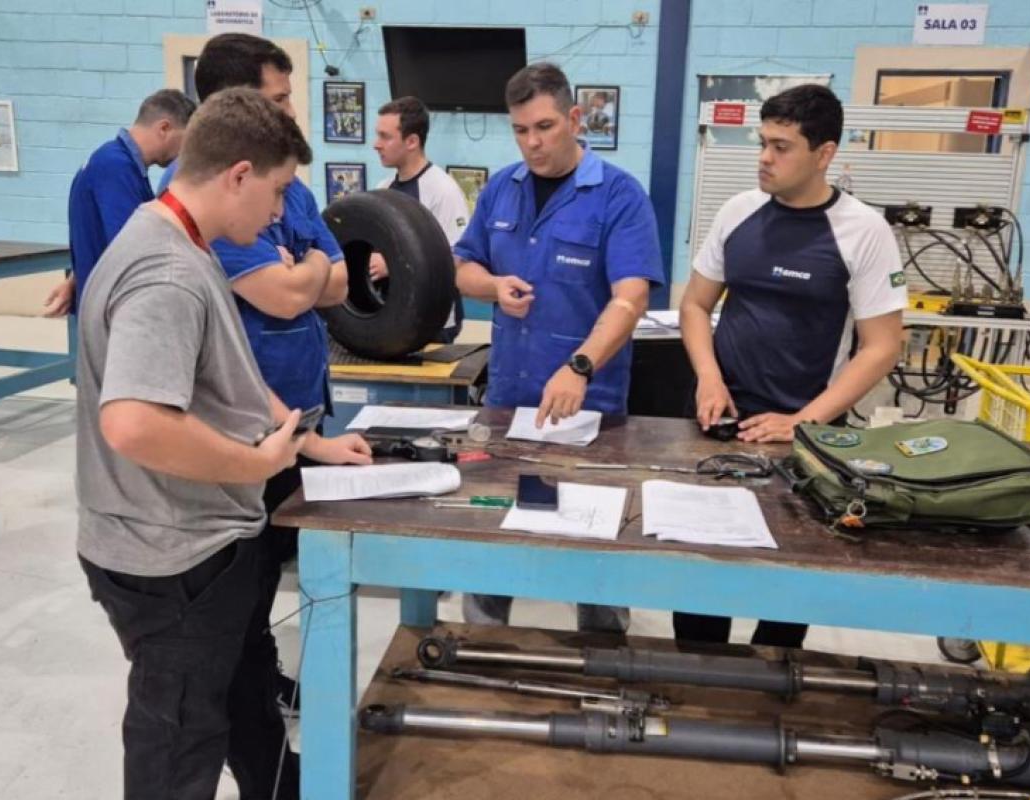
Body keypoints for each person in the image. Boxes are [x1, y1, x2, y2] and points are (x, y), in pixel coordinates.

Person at [76, 87, 371, 800]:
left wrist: (304, 442)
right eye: (277, 192)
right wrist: (255, 463)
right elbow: (133, 422)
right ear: (239, 174)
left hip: (195, 544)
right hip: (173, 556)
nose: (277, 214)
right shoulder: (168, 272)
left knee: (242, 696)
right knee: (178, 743)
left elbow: (226, 379)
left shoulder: (184, 242)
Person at [157, 30, 348, 750]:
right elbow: (287, 295)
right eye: (278, 98)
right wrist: (307, 270)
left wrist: (304, 271)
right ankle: (251, 713)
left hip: (292, 418)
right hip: (239, 436)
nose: (290, 112)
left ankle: (260, 693)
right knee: (236, 591)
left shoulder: (288, 185)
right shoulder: (189, 221)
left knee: (267, 577)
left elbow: (334, 280)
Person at [676, 83, 906, 649]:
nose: (764, 157)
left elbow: (882, 346)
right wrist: (708, 376)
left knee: (785, 592)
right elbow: (695, 304)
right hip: (719, 423)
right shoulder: (738, 211)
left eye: (781, 147)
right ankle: (697, 683)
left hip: (809, 441)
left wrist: (804, 421)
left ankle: (767, 688)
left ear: (824, 154)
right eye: (762, 143)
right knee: (700, 585)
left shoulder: (864, 231)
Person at [453, 62, 664, 633]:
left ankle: (604, 665)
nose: (532, 143)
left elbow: (631, 299)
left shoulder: (619, 195)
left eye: (544, 127)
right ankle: (482, 658)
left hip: (588, 416)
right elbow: (462, 267)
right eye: (520, 130)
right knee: (491, 551)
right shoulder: (502, 188)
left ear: (574, 118)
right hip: (506, 407)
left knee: (593, 563)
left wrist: (580, 366)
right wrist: (492, 286)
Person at [44, 89, 195, 316]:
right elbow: (132, 249)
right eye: (186, 141)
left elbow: (99, 238)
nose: (184, 152)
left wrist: (75, 279)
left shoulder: (110, 160)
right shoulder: (116, 169)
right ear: (164, 128)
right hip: (115, 311)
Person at [372, 95, 469, 343]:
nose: (376, 144)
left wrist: (393, 264)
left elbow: (456, 259)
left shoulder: (443, 190)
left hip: (433, 322)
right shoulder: (383, 188)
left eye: (385, 137)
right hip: (391, 316)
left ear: (412, 141)